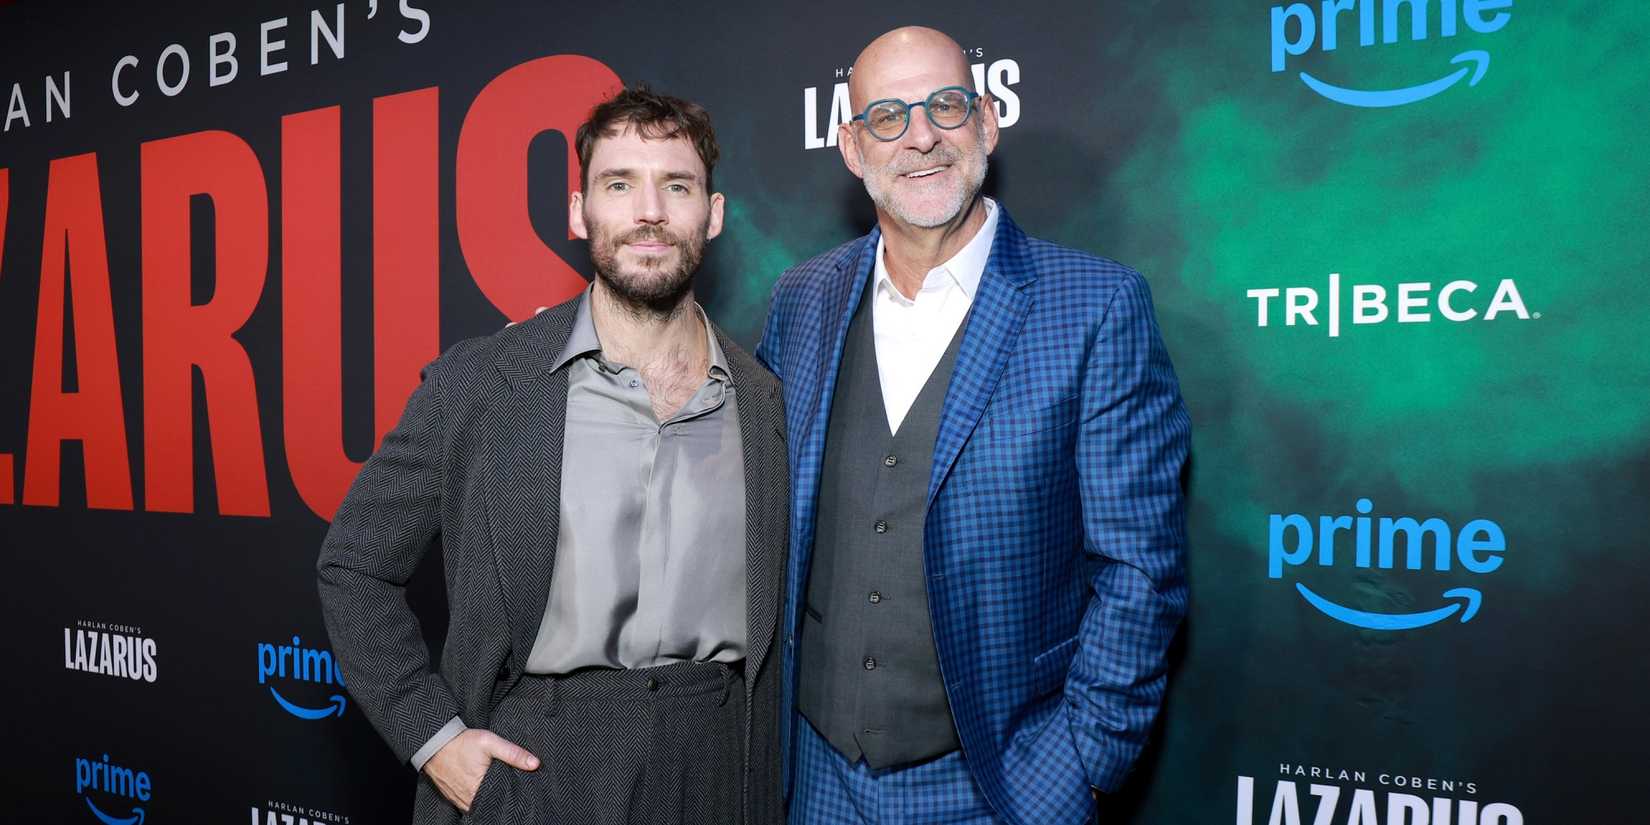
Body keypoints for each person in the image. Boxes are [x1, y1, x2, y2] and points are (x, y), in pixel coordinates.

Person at [317, 85, 787, 825]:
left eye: (677, 186)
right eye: (619, 184)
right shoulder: (480, 384)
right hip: (535, 765)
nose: (650, 212)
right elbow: (354, 565)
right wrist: (435, 740)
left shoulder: (763, 400)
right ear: (579, 211)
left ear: (714, 213)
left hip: (718, 766)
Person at [756, 26, 1191, 825]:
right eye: (888, 117)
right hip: (812, 779)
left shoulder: (1095, 307)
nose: (921, 136)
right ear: (852, 148)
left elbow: (1139, 572)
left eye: (946, 106)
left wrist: (1084, 768)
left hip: (998, 790)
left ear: (986, 122)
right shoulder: (802, 298)